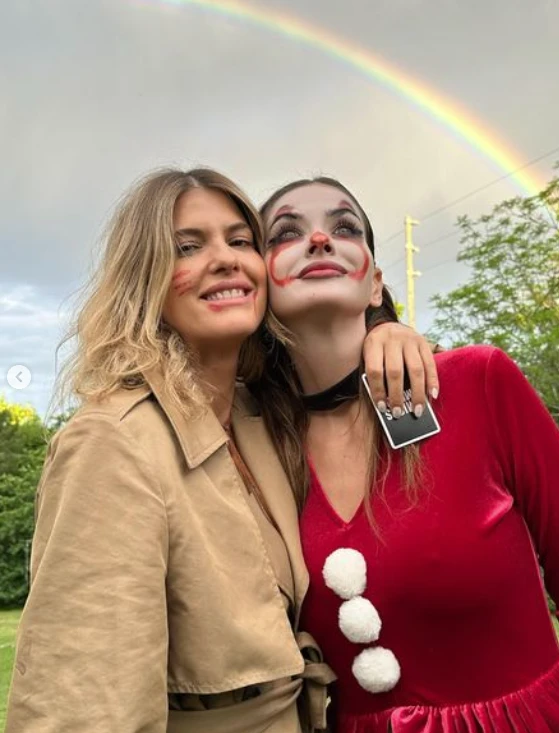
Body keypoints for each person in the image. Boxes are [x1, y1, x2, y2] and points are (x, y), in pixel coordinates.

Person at [5, 168, 438, 733]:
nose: (225, 259)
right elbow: (82, 708)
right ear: (145, 281)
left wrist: (383, 326)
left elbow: (332, 358)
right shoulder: (112, 442)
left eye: (240, 241)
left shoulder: (265, 419)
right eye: (188, 247)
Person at [254, 176, 559, 733]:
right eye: (286, 232)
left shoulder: (478, 382)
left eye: (345, 227)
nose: (320, 238)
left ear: (375, 284)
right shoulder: (255, 443)